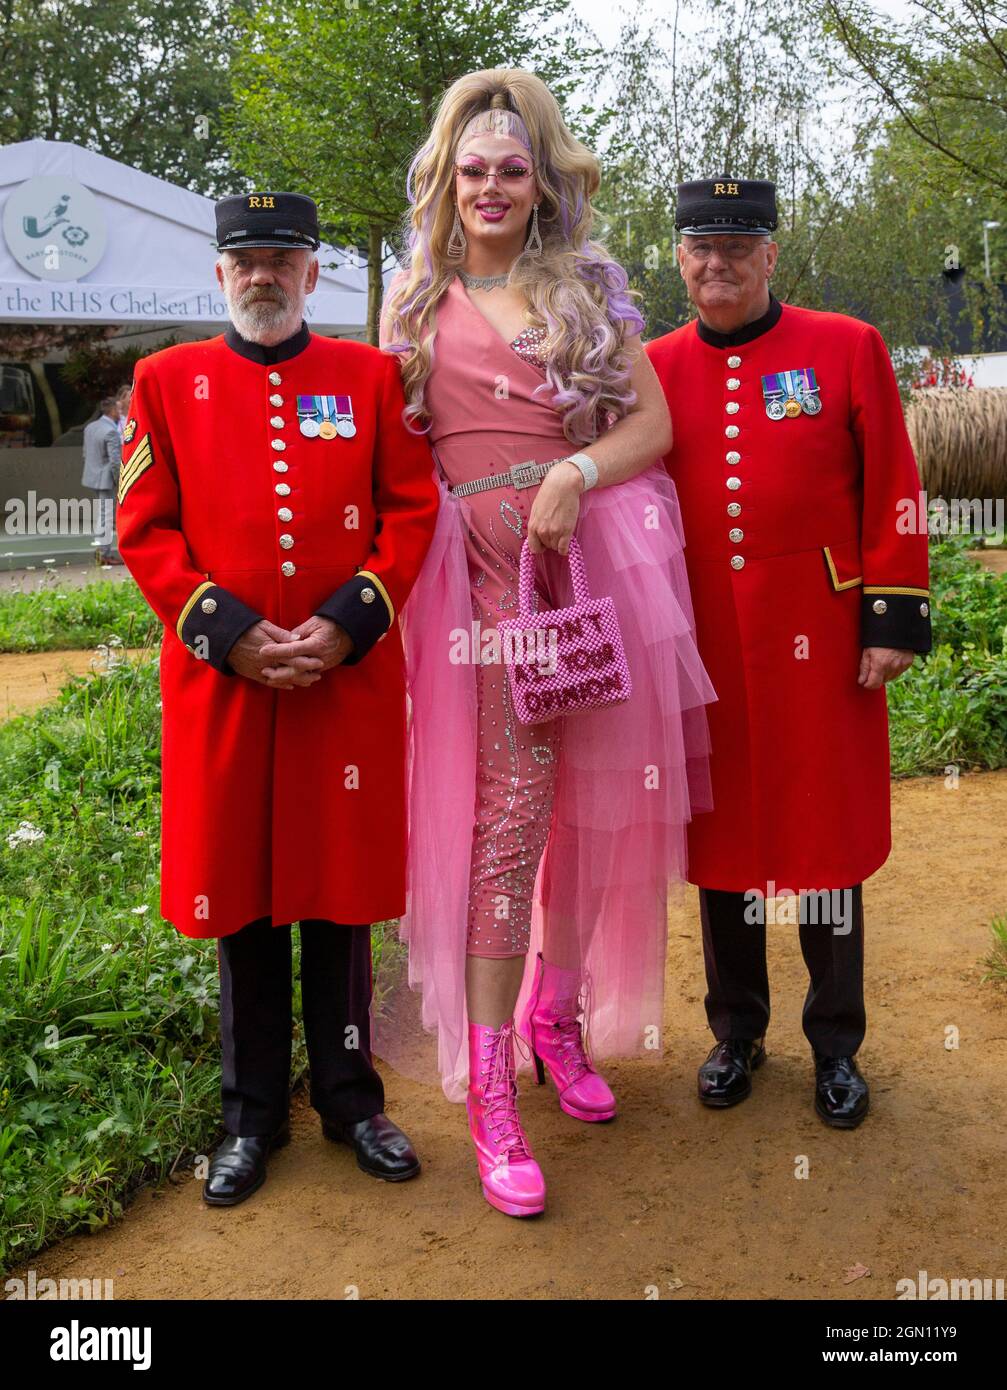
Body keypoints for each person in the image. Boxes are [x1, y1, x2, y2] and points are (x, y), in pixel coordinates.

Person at [372, 71, 715, 1218]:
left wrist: (572, 468)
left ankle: (555, 1019)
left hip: (586, 575)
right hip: (471, 598)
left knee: (594, 809)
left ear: (540, 181)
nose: (489, 186)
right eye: (470, 168)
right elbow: (392, 454)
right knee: (507, 827)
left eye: (510, 169)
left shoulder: (590, 291)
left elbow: (651, 426)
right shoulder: (411, 304)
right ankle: (486, 1086)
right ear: (445, 178)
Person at [116, 192, 439, 1205]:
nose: (261, 273)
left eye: (280, 258)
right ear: (220, 275)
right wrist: (228, 631)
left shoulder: (370, 376)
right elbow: (144, 528)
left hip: (340, 684)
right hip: (227, 688)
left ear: (311, 273)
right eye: (243, 259)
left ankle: (350, 1096)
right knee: (241, 899)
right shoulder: (164, 382)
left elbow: (411, 507)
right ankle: (250, 1114)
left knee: (340, 900)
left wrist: (350, 618)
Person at [646, 177, 932, 1128]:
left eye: (738, 246)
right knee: (720, 837)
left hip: (820, 642)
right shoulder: (650, 366)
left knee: (823, 840)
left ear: (771, 255)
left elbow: (892, 480)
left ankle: (836, 1044)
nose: (717, 261)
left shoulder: (845, 346)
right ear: (678, 258)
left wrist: (890, 618)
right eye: (701, 247)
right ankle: (735, 1031)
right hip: (702, 645)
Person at [81, 396, 123, 565]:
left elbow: (85, 453)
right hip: (106, 480)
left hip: (93, 478)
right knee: (107, 516)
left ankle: (102, 551)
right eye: (118, 410)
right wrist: (120, 481)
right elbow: (115, 461)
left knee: (103, 515)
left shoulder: (90, 427)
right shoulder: (111, 431)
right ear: (112, 411)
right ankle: (103, 554)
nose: (120, 413)